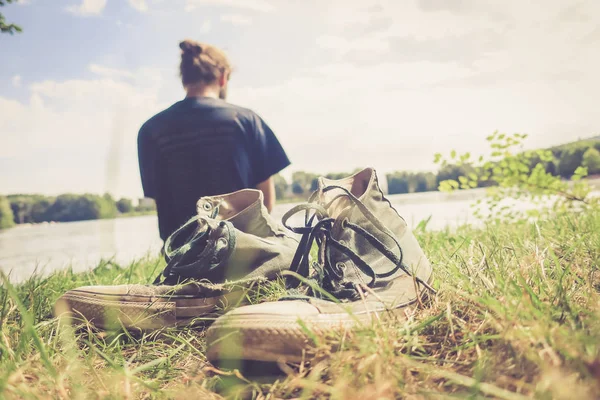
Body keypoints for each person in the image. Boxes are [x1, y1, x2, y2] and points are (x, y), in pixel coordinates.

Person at [137, 39, 291, 243]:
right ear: (223, 77)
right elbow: (266, 203)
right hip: (243, 248)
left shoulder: (150, 130)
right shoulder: (246, 120)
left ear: (184, 79)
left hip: (181, 258)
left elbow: (161, 202)